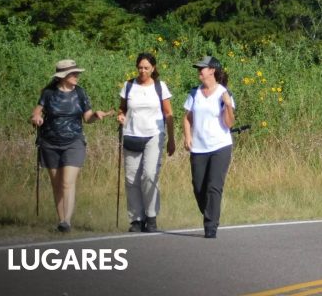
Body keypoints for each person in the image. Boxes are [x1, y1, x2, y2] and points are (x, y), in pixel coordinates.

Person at [30, 59, 108, 232]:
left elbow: (87, 119)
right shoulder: (49, 93)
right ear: (63, 76)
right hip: (49, 142)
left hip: (74, 142)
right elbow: (37, 112)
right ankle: (61, 220)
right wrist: (36, 118)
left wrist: (96, 115)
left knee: (67, 182)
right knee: (56, 183)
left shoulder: (80, 93)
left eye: (77, 73)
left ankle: (67, 221)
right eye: (73, 74)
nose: (77, 76)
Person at [117, 52, 175, 233]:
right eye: (140, 67)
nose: (142, 71)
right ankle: (136, 219)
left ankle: (151, 216)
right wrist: (120, 115)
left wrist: (171, 139)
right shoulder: (128, 86)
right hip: (131, 135)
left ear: (153, 68)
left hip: (154, 135)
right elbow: (122, 108)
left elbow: (168, 114)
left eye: (146, 68)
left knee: (149, 175)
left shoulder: (160, 87)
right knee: (131, 179)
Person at [183, 56, 235, 239]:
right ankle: (209, 211)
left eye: (202, 68)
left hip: (220, 146)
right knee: (198, 186)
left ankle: (211, 225)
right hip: (198, 147)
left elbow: (228, 123)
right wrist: (188, 136)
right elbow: (187, 118)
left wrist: (228, 105)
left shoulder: (223, 93)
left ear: (212, 70)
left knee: (214, 186)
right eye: (198, 68)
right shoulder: (194, 93)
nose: (199, 71)